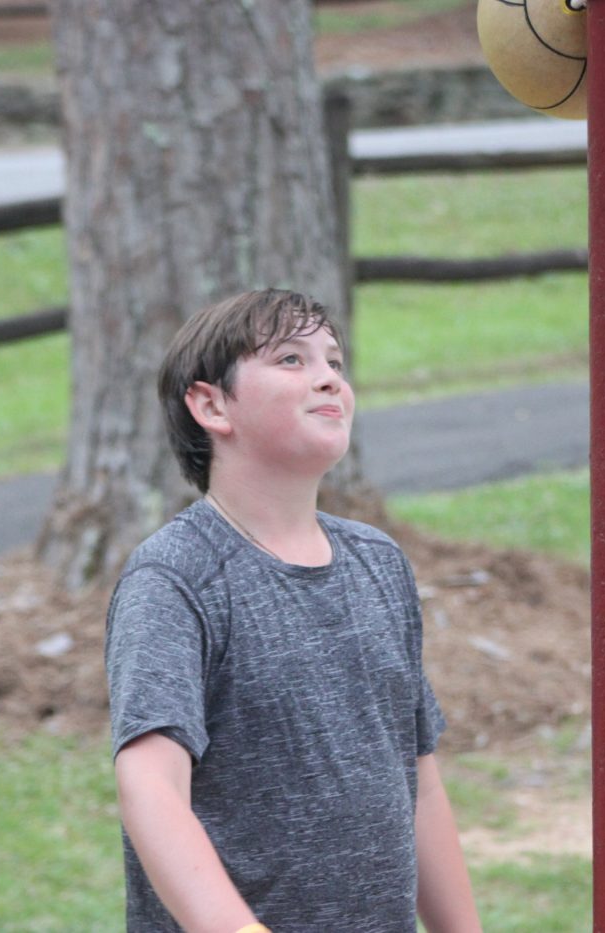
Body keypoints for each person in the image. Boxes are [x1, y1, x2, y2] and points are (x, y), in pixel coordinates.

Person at [105, 288, 481, 932]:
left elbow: (419, 783)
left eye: (335, 362)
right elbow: (151, 788)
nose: (329, 378)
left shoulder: (378, 562)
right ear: (211, 405)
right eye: (290, 360)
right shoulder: (175, 577)